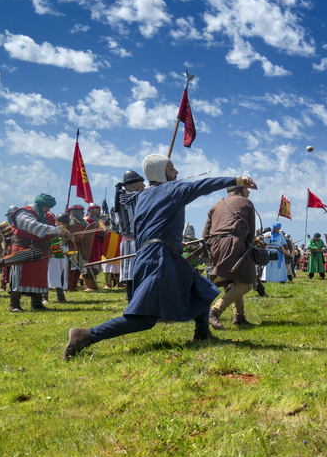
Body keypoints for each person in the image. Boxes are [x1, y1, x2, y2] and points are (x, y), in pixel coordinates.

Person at [63, 154, 258, 360]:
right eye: (172, 168)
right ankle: (85, 336)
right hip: (159, 258)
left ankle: (202, 334)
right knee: (144, 319)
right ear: (161, 172)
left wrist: (171, 241)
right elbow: (202, 185)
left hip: (153, 252)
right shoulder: (173, 190)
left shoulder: (143, 196)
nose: (177, 173)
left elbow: (148, 227)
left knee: (203, 288)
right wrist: (236, 180)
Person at [204, 184, 259, 329]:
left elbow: (205, 235)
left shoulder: (216, 205)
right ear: (240, 189)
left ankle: (239, 317)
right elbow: (251, 233)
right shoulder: (247, 203)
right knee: (247, 282)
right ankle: (214, 311)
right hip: (235, 243)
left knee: (235, 281)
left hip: (215, 245)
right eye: (247, 189)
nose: (248, 192)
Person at [7, 194, 69, 312]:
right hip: (24, 249)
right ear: (40, 205)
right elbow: (33, 227)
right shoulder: (24, 213)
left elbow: (53, 230)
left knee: (39, 277)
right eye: (46, 207)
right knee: (19, 276)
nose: (49, 209)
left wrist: (65, 234)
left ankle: (37, 304)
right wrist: (57, 230)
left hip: (41, 250)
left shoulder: (48, 216)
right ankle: (14, 304)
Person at [112, 170, 146, 301]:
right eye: (142, 183)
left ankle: (131, 301)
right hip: (141, 241)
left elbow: (114, 228)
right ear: (136, 184)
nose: (144, 186)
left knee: (130, 274)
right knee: (142, 273)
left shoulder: (116, 202)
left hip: (125, 242)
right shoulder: (143, 197)